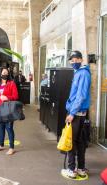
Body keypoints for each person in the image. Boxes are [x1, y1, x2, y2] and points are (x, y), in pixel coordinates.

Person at [61, 50, 91, 179]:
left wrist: (72, 113)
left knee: (71, 141)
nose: (73, 63)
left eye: (76, 60)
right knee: (80, 141)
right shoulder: (79, 72)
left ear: (81, 59)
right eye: (71, 61)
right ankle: (81, 169)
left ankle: (72, 169)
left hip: (77, 113)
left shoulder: (83, 73)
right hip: (79, 112)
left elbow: (81, 95)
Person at [0, 67, 18, 155]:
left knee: (9, 128)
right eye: (3, 72)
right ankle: (1, 145)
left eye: (6, 73)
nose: (5, 74)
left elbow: (16, 96)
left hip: (8, 109)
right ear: (0, 74)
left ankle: (12, 147)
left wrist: (7, 97)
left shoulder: (12, 83)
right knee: (1, 127)